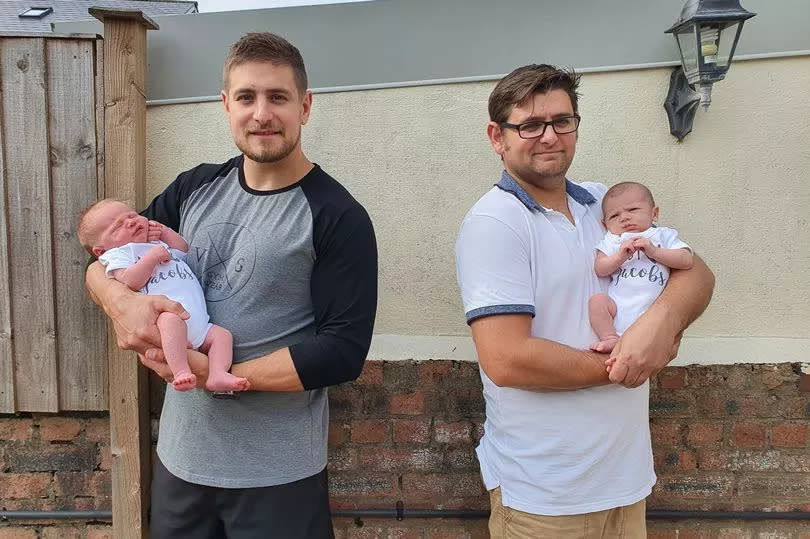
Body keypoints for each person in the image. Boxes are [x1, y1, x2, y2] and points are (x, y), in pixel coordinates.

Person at [85, 32, 377, 538]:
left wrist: (218, 370)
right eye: (246, 97)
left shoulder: (337, 216)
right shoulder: (194, 188)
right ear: (226, 105)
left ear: (305, 106)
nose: (261, 113)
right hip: (181, 462)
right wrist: (118, 304)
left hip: (278, 476)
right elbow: (99, 261)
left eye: (278, 97)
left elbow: (341, 352)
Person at [455, 64, 714, 538]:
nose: (549, 136)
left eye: (562, 120)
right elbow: (507, 359)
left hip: (626, 479)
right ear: (498, 136)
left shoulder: (604, 203)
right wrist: (630, 363)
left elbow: (696, 272)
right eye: (529, 125)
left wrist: (663, 322)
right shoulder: (494, 224)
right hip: (547, 495)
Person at [77, 199, 249, 393]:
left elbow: (184, 251)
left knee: (222, 336)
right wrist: (152, 258)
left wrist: (166, 233)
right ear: (101, 250)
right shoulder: (118, 255)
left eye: (132, 215)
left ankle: (218, 374)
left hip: (199, 320)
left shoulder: (156, 243)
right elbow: (130, 280)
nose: (131, 222)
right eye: (117, 227)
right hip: (166, 316)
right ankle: (181, 371)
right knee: (170, 322)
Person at [589, 182, 694, 354]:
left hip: (652, 308)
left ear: (654, 213)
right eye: (614, 216)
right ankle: (610, 337)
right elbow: (600, 268)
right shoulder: (613, 240)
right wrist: (620, 256)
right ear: (604, 223)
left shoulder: (663, 235)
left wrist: (654, 251)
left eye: (633, 210)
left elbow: (686, 260)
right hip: (618, 307)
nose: (624, 218)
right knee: (597, 301)